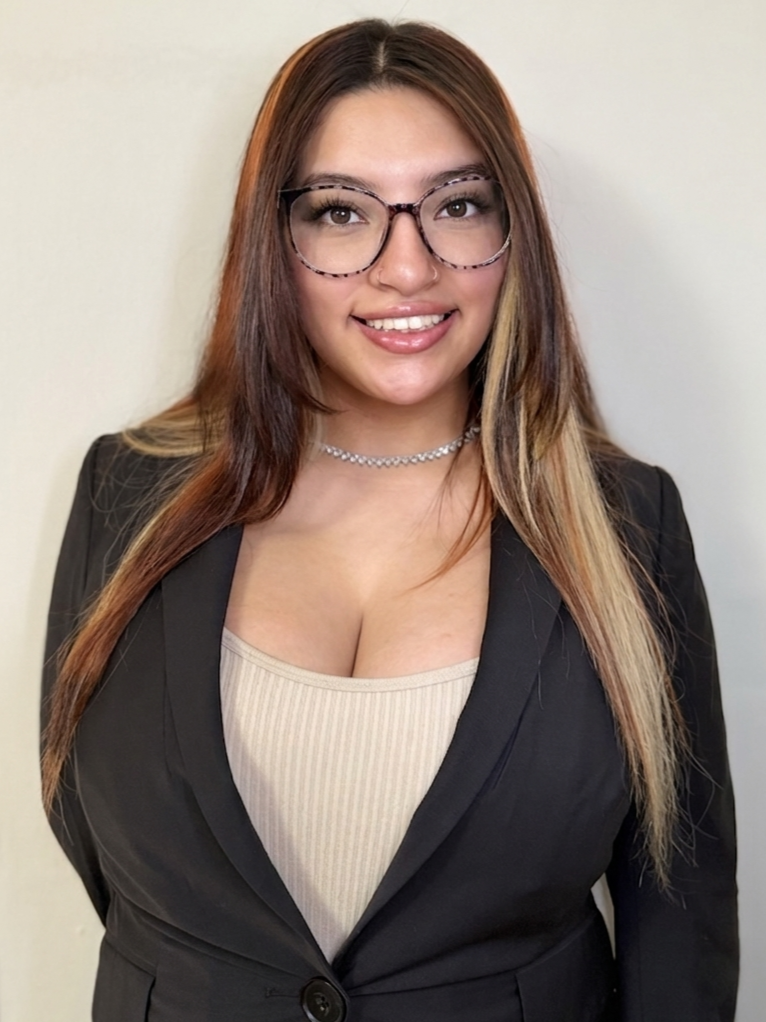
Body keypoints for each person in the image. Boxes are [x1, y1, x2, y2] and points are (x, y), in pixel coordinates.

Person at [41, 18, 738, 1022]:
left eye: (457, 204)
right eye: (339, 212)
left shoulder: (631, 525)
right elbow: (99, 840)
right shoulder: (127, 493)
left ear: (512, 235)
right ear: (272, 239)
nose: (406, 268)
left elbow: (682, 926)